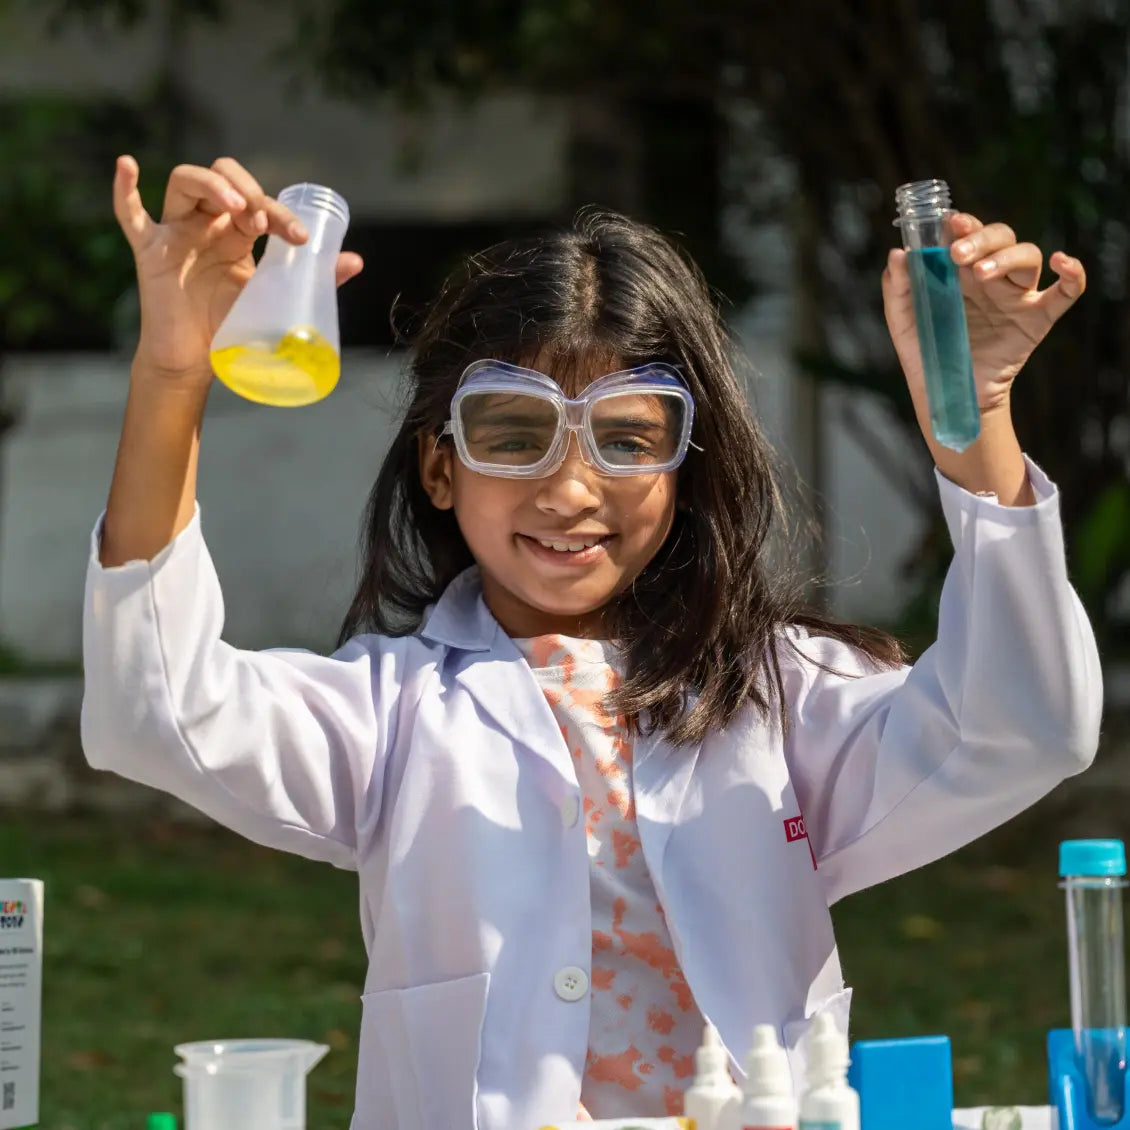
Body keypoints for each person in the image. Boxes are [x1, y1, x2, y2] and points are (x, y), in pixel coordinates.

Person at [82, 155, 1101, 1130]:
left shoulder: (781, 696)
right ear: (440, 468)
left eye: (626, 435)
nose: (569, 488)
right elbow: (156, 711)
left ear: (684, 468)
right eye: (514, 433)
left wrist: (978, 420)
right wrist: (173, 371)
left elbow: (1020, 727)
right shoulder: (391, 713)